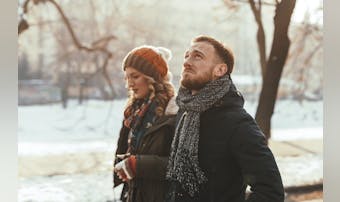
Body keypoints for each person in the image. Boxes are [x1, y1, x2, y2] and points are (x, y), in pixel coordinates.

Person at [166, 35, 284, 202]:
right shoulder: (184, 113)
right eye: (187, 55)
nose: (187, 62)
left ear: (220, 70)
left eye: (197, 56)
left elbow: (271, 190)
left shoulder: (237, 123)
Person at [113, 45, 178, 202]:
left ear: (152, 77)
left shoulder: (173, 111)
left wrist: (138, 165)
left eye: (135, 77)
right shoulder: (133, 111)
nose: (129, 84)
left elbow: (181, 165)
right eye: (126, 78)